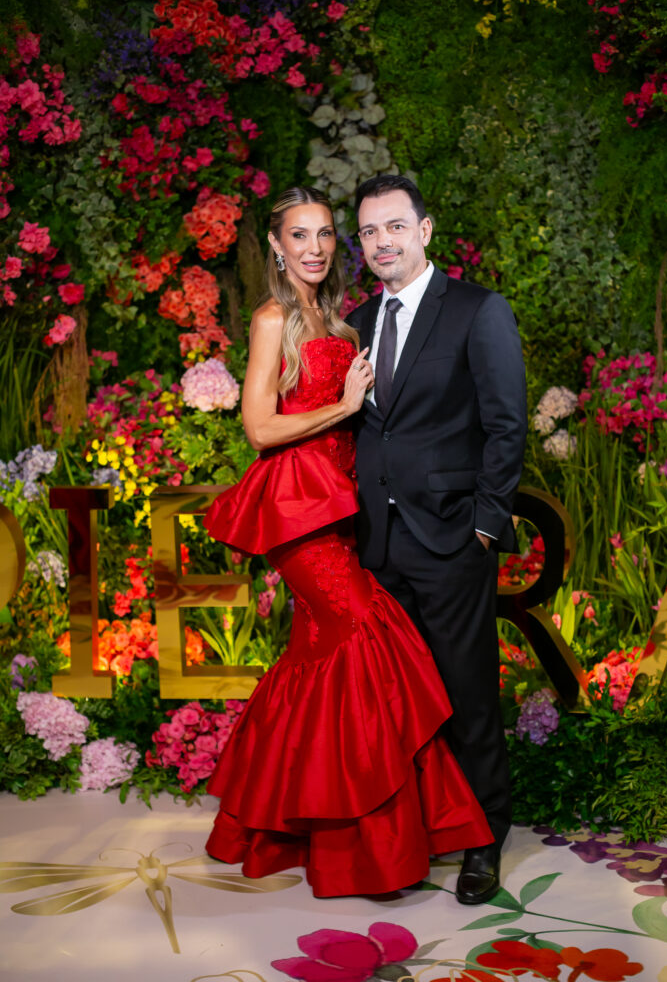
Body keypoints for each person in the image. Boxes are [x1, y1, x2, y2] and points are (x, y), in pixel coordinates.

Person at [201, 186, 494, 899]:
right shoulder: (273, 318)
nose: (314, 248)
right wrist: (342, 406)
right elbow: (260, 429)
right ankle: (370, 843)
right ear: (276, 247)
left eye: (325, 234)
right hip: (301, 513)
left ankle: (294, 824)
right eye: (298, 236)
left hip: (347, 508)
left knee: (324, 660)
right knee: (368, 642)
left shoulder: (340, 318)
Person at [345, 174, 527, 905]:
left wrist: (485, 525)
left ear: (424, 230)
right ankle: (414, 835)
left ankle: (484, 838)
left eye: (394, 226)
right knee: (394, 697)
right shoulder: (356, 321)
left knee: (466, 691)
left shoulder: (477, 310)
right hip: (375, 542)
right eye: (368, 232)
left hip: (451, 536)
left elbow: (505, 424)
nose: (381, 241)